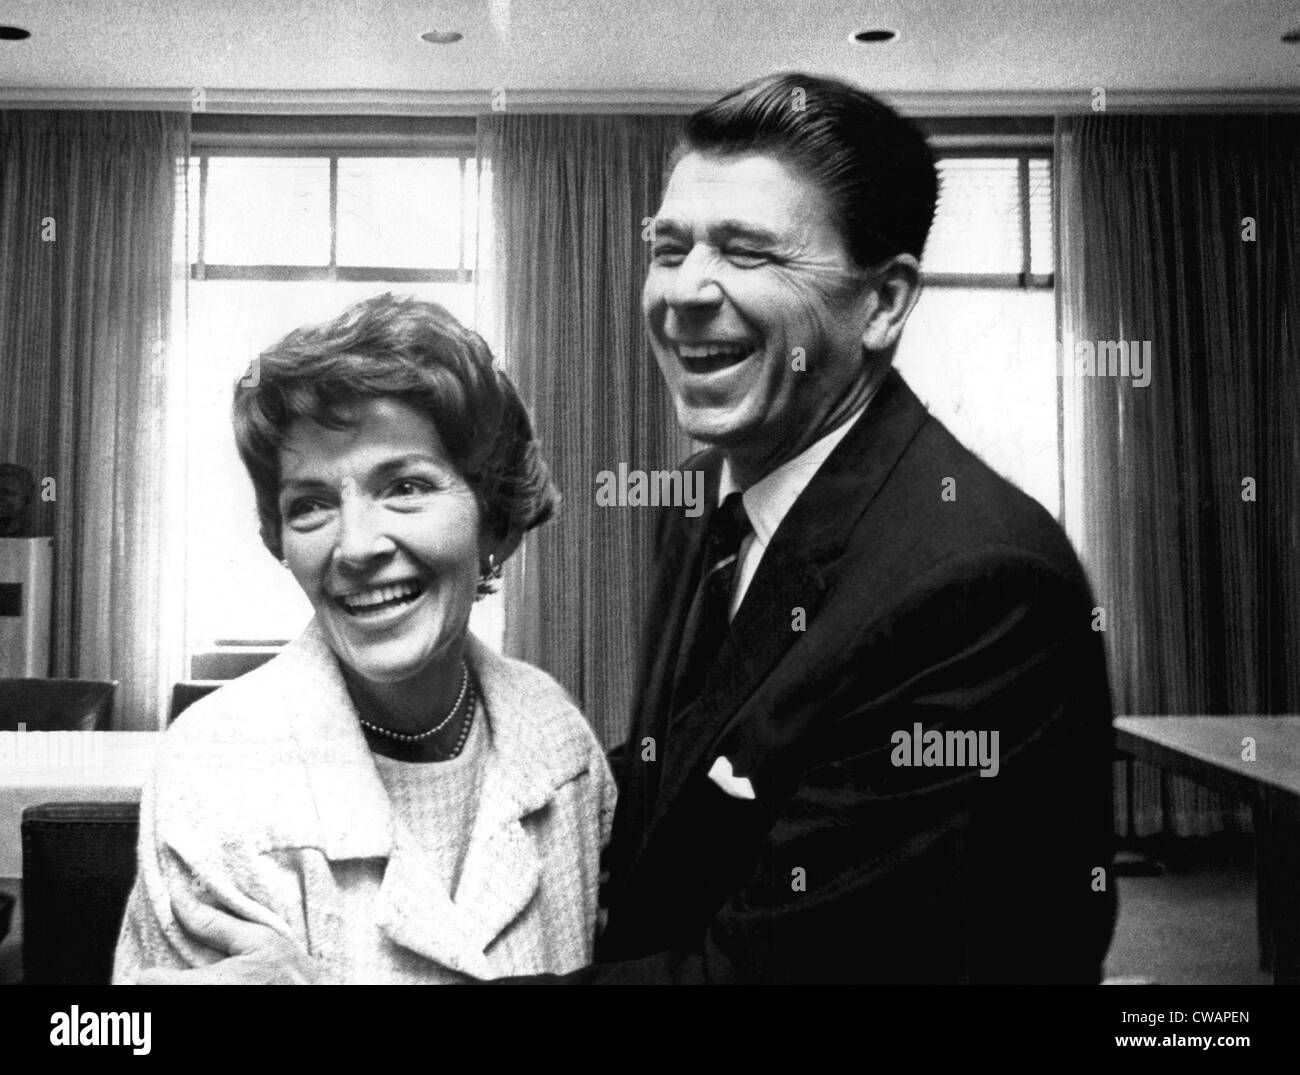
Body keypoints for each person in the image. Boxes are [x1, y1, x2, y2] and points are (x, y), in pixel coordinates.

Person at [577, 71, 1117, 983]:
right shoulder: (697, 501)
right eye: (670, 248)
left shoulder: (979, 585)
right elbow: (690, 775)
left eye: (748, 253)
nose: (684, 292)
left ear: (884, 302)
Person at [113, 294, 614, 984]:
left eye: (405, 486)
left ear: (494, 519)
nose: (355, 546)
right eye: (311, 504)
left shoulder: (558, 742)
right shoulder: (214, 775)